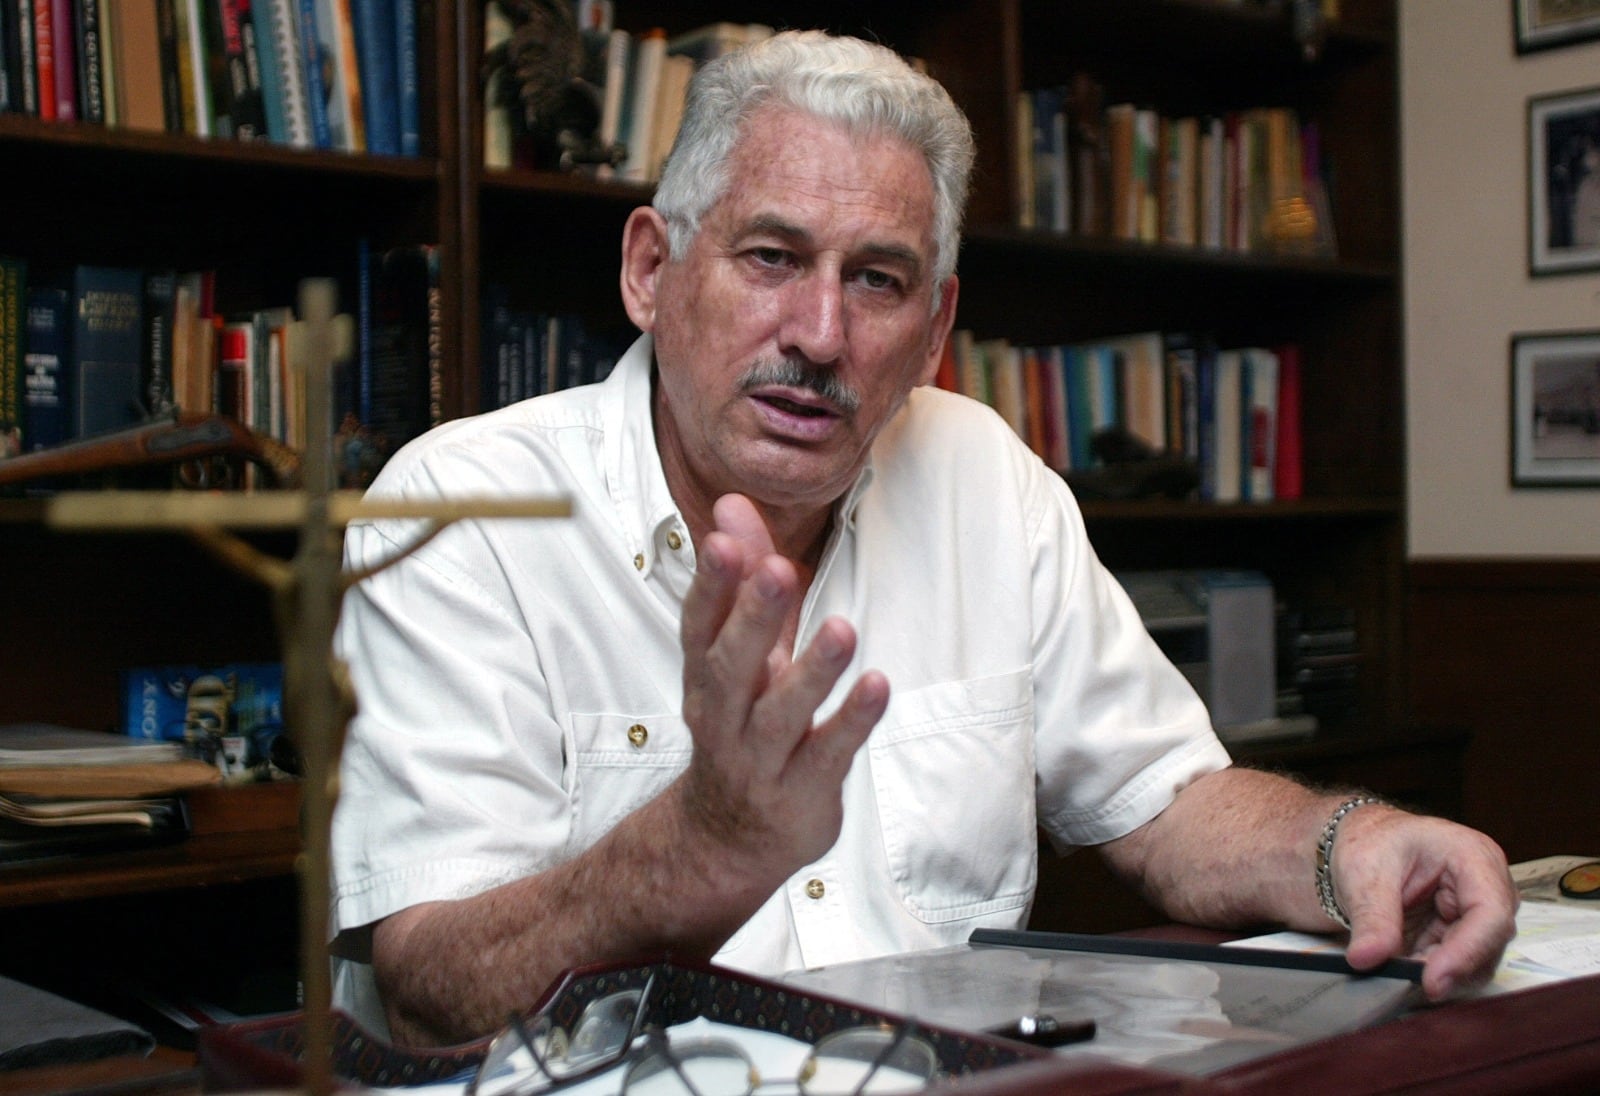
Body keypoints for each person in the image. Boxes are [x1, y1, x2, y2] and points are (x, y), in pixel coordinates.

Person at [329, 30, 1517, 1047]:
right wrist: (694, 848)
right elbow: (429, 981)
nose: (820, 332)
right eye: (771, 257)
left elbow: (1168, 802)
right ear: (651, 270)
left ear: (935, 325)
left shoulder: (983, 477)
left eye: (878, 280)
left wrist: (1350, 844)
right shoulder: (458, 509)